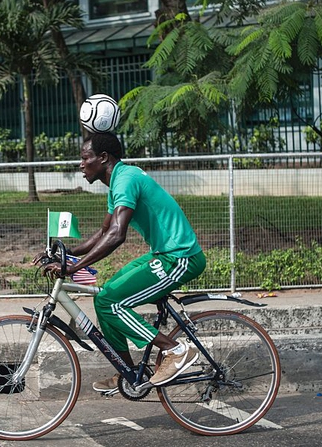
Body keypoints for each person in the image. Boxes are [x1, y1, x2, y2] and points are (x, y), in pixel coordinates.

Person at [39, 132, 206, 392]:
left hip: (181, 258)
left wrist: (73, 267)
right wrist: (67, 252)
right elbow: (105, 231)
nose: (81, 164)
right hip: (163, 254)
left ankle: (175, 349)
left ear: (103, 157)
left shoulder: (125, 180)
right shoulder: (118, 180)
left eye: (85, 158)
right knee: (104, 297)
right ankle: (128, 374)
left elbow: (117, 235)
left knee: (110, 302)